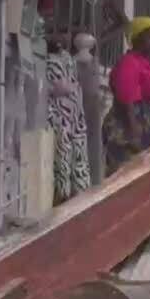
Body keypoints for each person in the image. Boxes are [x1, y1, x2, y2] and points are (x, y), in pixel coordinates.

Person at [103, 16, 150, 174]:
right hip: (130, 132)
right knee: (127, 175)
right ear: (138, 38)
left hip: (146, 132)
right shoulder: (129, 63)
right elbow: (126, 99)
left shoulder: (144, 62)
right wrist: (133, 133)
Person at [46, 29, 91, 202]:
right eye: (58, 32)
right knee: (63, 153)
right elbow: (55, 86)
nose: (60, 37)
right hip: (59, 115)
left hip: (73, 114)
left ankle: (75, 192)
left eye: (64, 33)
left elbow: (69, 84)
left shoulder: (69, 59)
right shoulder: (49, 61)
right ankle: (63, 193)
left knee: (75, 152)